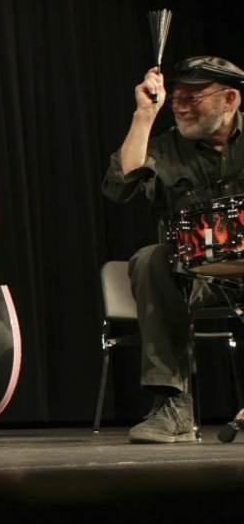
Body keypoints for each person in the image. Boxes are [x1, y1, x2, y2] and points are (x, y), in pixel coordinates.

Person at [103, 55, 244, 443]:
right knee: (151, 259)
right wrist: (144, 117)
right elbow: (121, 186)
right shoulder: (165, 147)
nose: (180, 104)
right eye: (176, 95)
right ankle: (172, 406)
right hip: (196, 275)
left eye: (193, 97)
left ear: (229, 99)